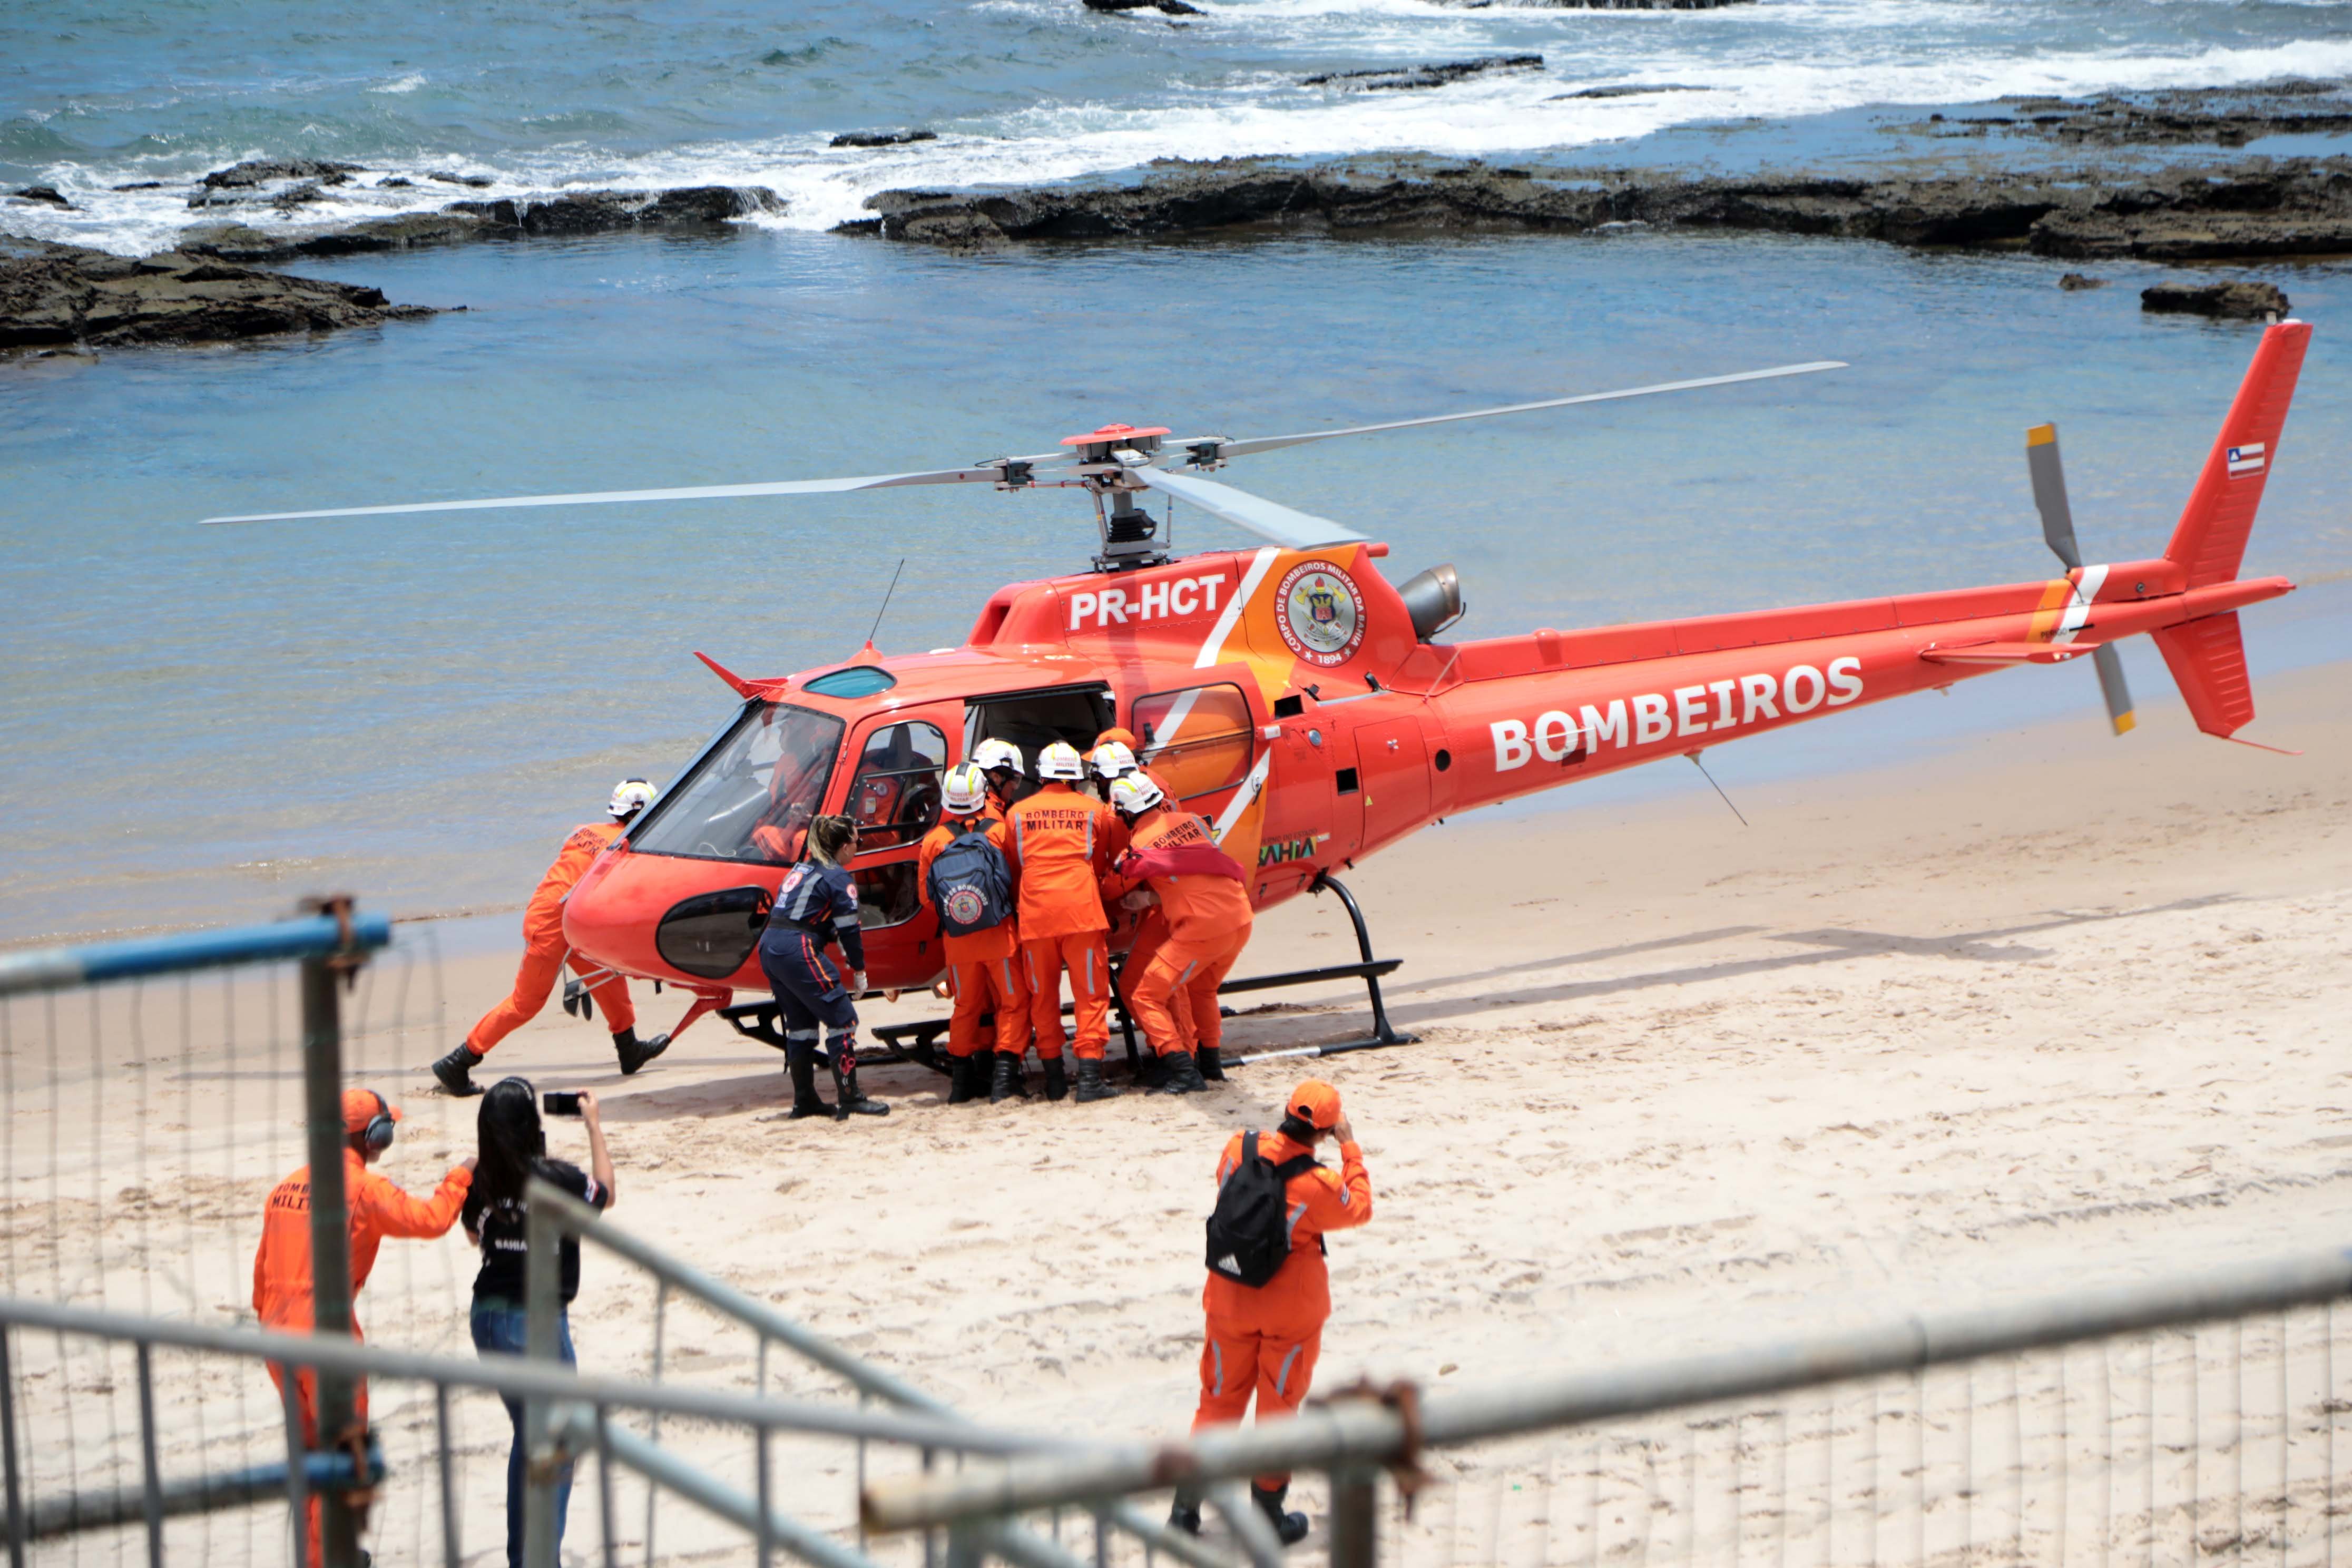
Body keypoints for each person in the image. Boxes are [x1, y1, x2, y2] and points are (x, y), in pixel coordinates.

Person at [251, 1090, 475, 1568]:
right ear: (376, 1137)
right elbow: (433, 1220)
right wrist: (463, 1175)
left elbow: (260, 1277)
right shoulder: (367, 1191)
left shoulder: (284, 1187)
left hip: (275, 1337)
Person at [1174, 1081, 1372, 1545]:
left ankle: (1184, 1513)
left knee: (1217, 1402)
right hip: (1290, 1314)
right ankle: (1268, 1517)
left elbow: (1225, 1189)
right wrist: (1351, 1148)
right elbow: (1359, 1208)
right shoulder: (1319, 1185)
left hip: (1228, 1297)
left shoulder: (1236, 1147)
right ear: (1324, 1130)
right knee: (1277, 1410)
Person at [435, 780, 671, 1097]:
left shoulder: (584, 830)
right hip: (553, 926)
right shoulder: (627, 846)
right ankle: (459, 1061)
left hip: (566, 917)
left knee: (608, 977)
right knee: (525, 1003)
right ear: (639, 813)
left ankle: (629, 1049)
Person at [462, 1079, 614, 1568]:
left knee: (531, 1436)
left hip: (487, 1320)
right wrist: (593, 1126)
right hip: (537, 1325)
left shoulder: (482, 1181)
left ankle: (523, 1557)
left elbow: (472, 1233)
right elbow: (605, 1195)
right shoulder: (556, 1178)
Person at [1102, 775, 1251, 1093]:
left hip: (1202, 928)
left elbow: (1113, 885)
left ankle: (1183, 1071)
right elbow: (1196, 875)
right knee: (1202, 990)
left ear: (1126, 814)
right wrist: (1151, 898)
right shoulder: (1194, 822)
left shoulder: (1138, 846)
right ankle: (1211, 1067)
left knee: (1145, 996)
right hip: (1240, 918)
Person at [1001, 740, 1121, 1103]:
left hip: (1036, 915)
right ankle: (1089, 1078)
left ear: (1040, 774)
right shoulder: (1094, 810)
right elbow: (1101, 863)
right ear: (1075, 776)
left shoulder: (1017, 814)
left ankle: (1054, 1078)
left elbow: (1013, 866)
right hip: (1082, 912)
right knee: (1091, 994)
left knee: (1043, 997)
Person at [758, 814, 887, 1119]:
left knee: (801, 1028)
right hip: (795, 948)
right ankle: (850, 1097)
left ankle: (805, 1101)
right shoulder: (839, 878)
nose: (859, 846)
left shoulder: (802, 869)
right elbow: (850, 931)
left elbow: (807, 916)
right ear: (844, 847)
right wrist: (859, 971)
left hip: (770, 946)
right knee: (844, 1020)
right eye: (858, 842)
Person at [917, 762, 1030, 1105]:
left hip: (959, 941)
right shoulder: (999, 831)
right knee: (1013, 1003)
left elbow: (926, 898)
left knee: (966, 1007)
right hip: (999, 937)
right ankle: (1005, 1079)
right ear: (983, 794)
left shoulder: (934, 841)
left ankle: (962, 1084)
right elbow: (1014, 880)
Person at [972, 738, 1026, 815]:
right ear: (996, 778)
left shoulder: (968, 804)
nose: (1015, 787)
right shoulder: (992, 815)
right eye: (1016, 780)